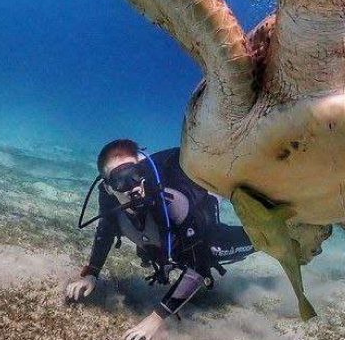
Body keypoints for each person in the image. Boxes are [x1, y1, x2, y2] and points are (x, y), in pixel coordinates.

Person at [65, 139, 255, 340]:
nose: (133, 187)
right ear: (109, 188)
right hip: (164, 236)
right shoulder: (110, 203)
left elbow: (199, 266)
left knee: (224, 247)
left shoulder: (172, 201)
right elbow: (105, 232)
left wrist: (156, 318)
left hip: (202, 213)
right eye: (120, 181)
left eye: (136, 174)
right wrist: (91, 274)